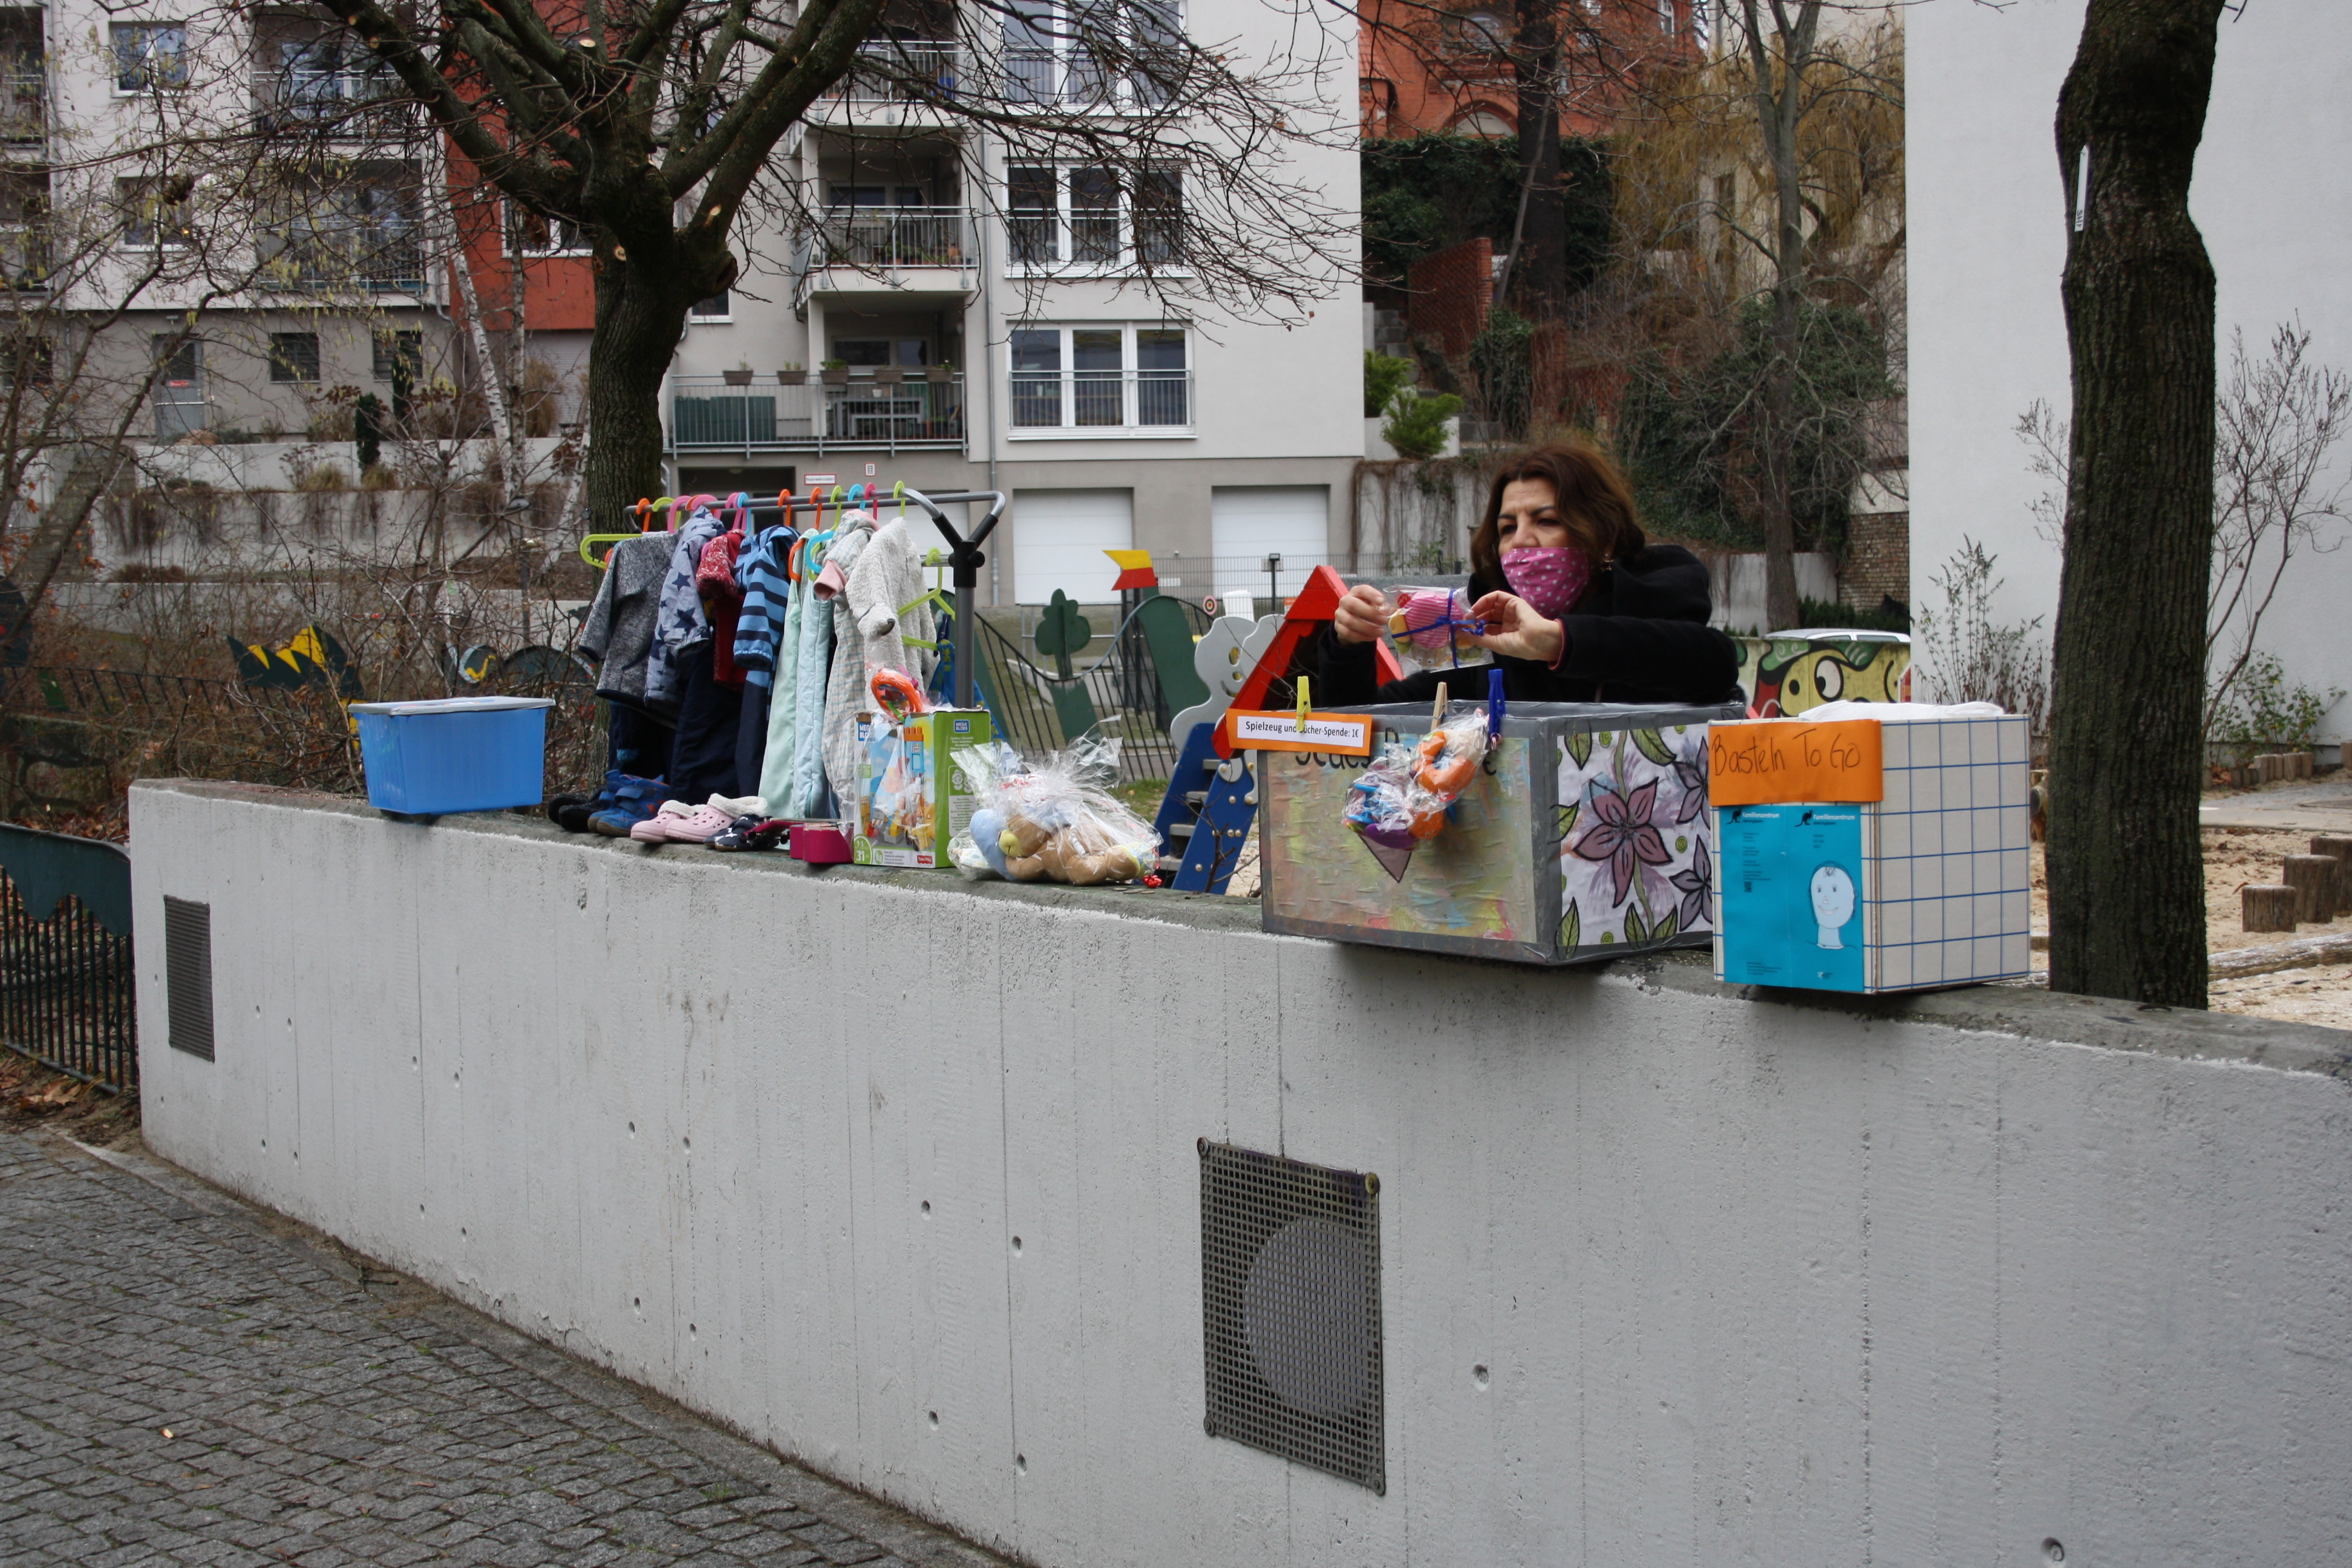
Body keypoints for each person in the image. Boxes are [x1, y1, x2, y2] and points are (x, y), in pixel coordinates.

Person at [1319, 439, 1740, 707]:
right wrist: (1349, 646)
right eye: (1507, 528)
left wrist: (1559, 643)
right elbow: (1361, 723)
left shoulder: (1657, 602)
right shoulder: (1483, 642)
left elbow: (1713, 665)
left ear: (1605, 537)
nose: (1521, 541)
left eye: (1546, 521)